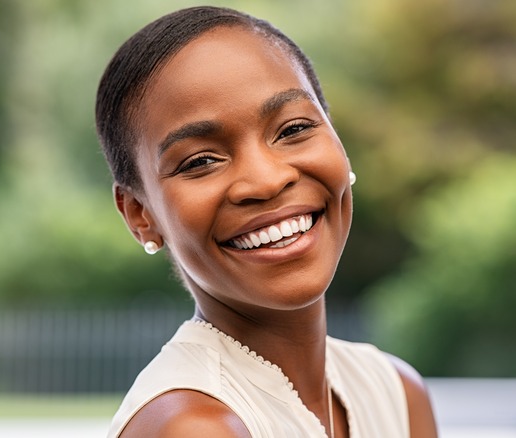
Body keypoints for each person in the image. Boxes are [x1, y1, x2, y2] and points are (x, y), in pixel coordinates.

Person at [95, 6, 437, 438]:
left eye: (293, 129)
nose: (267, 180)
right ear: (140, 215)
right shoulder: (194, 427)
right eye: (201, 160)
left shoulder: (396, 393)